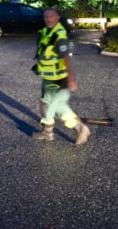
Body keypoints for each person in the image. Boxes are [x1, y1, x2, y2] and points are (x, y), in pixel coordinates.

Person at [32, 8, 90, 145]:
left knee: (52, 106)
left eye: (51, 16)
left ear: (57, 17)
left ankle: (52, 132)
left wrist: (71, 80)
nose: (48, 19)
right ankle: (77, 128)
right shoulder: (47, 32)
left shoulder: (59, 35)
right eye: (46, 17)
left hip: (58, 79)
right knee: (51, 106)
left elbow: (65, 58)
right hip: (48, 78)